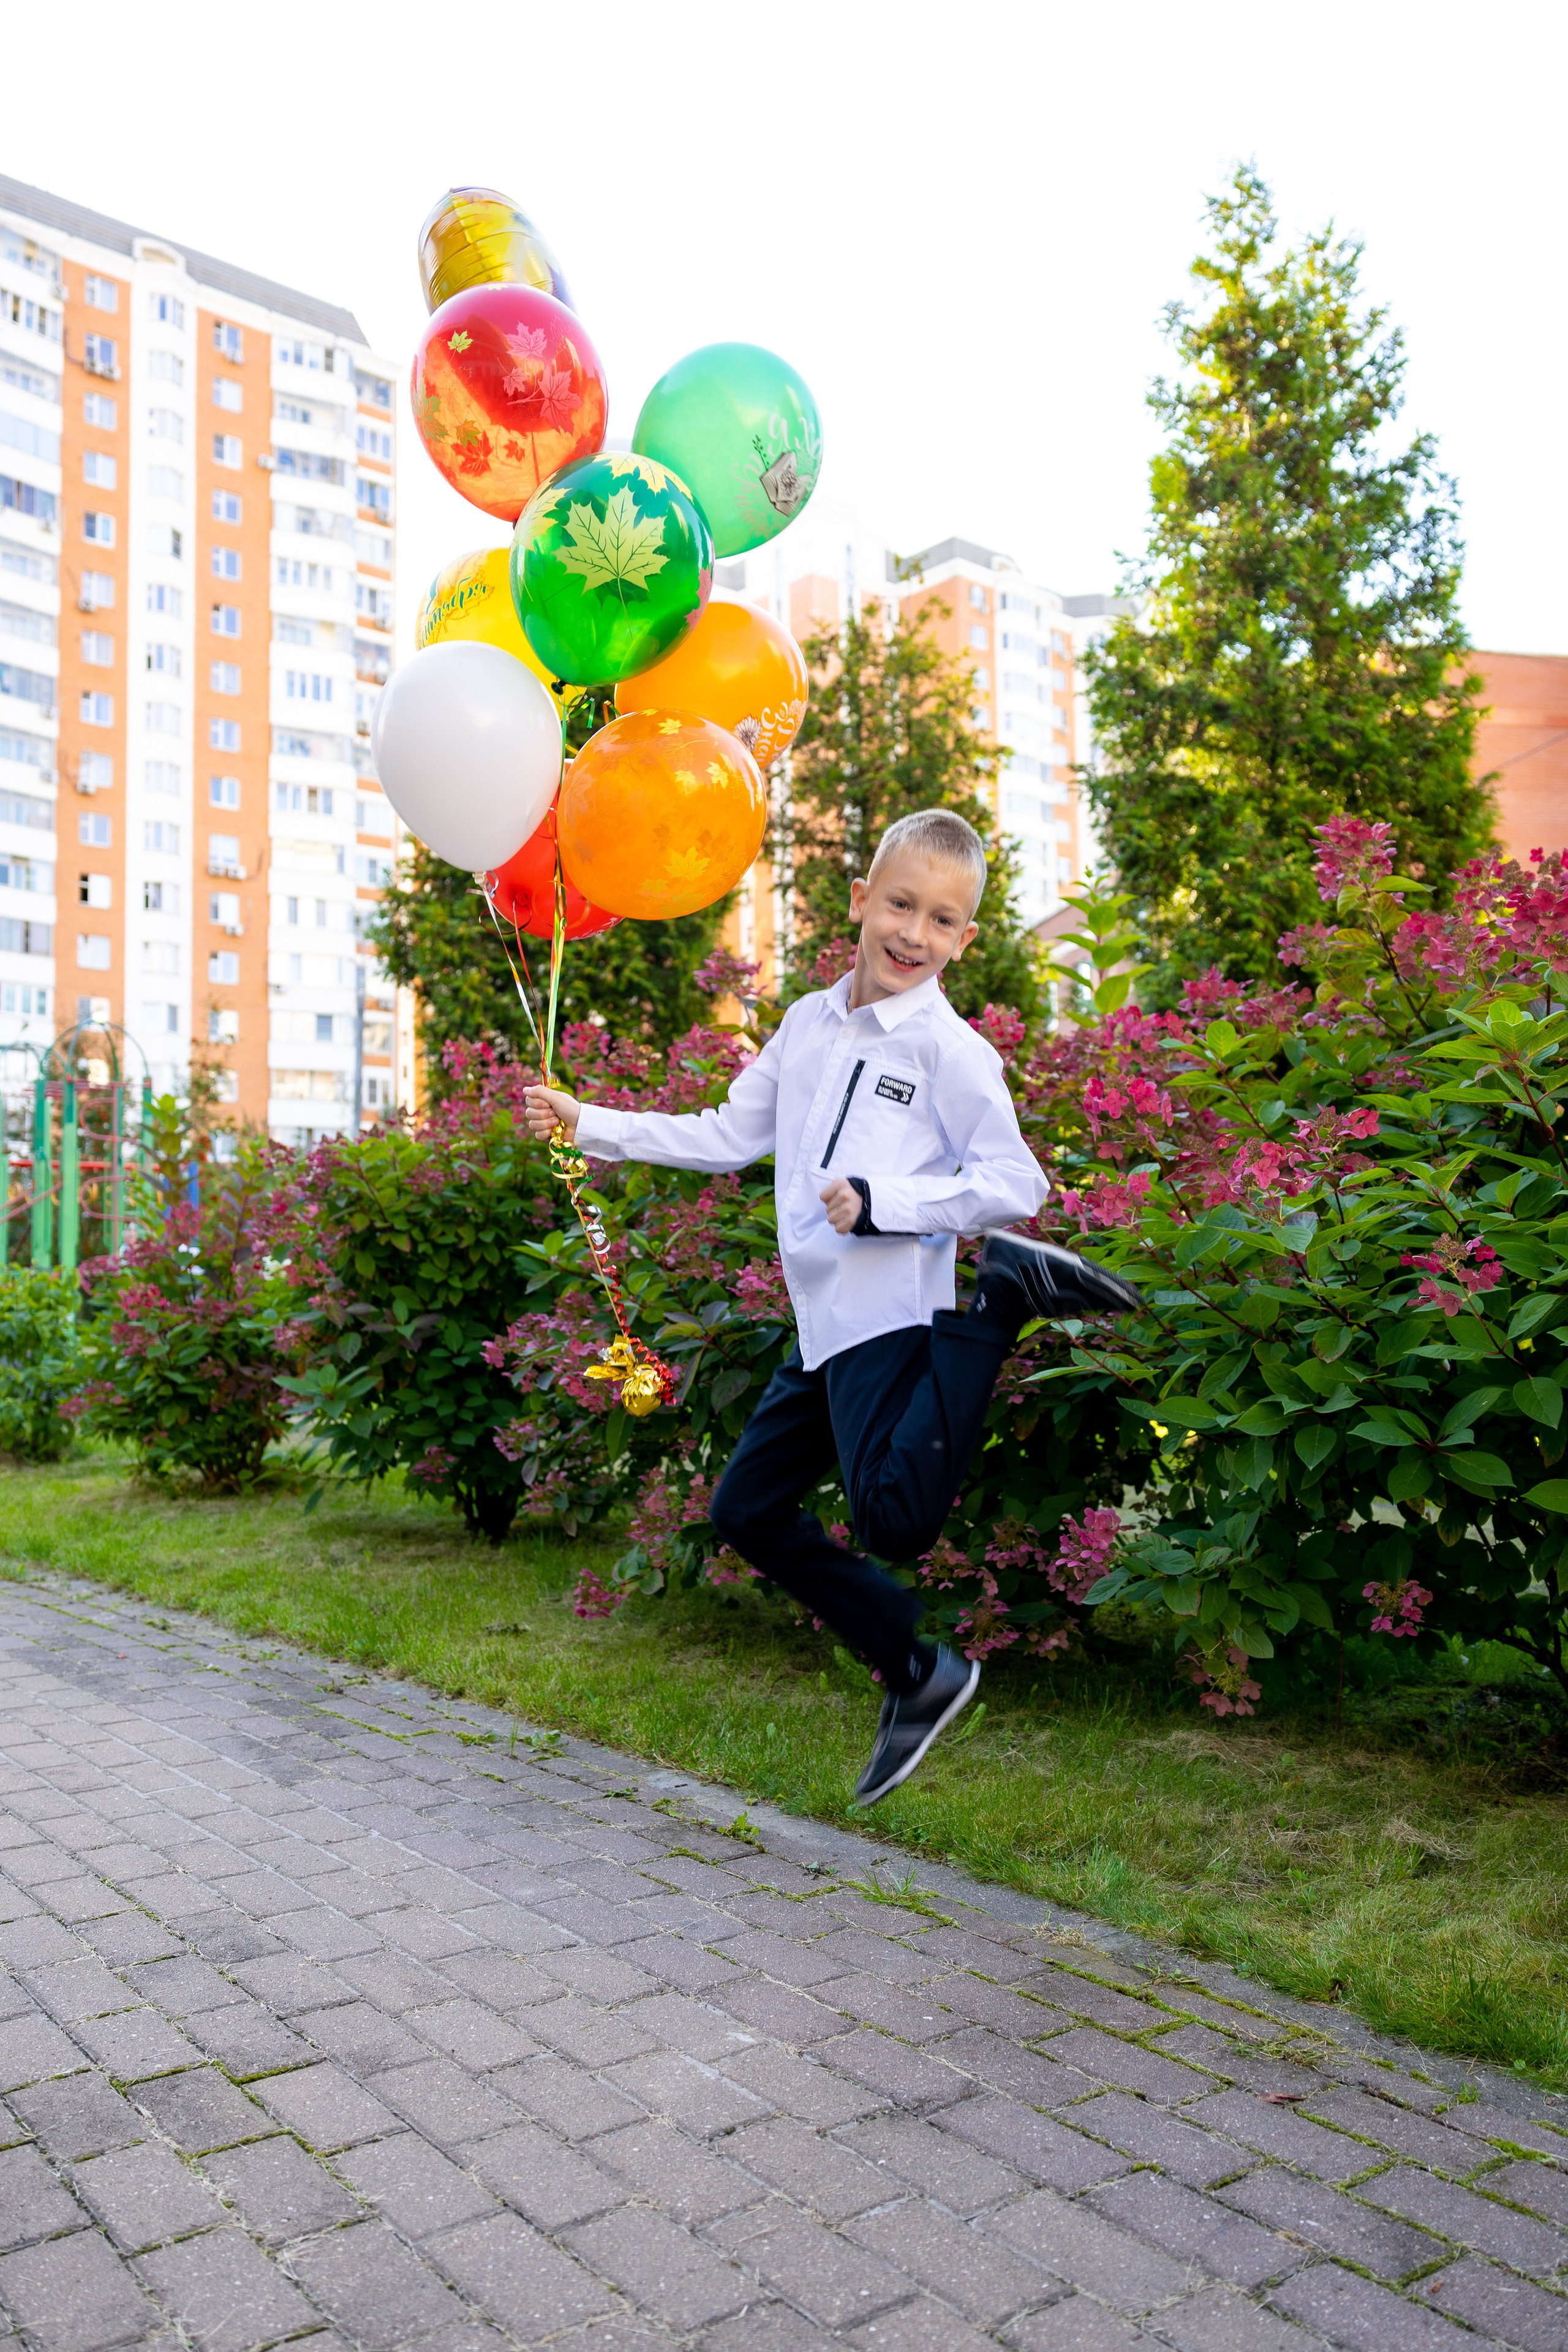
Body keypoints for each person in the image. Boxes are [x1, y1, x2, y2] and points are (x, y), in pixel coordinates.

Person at [524, 809, 1138, 1804]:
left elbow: (1012, 1182)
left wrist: (887, 1205)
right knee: (746, 1509)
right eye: (901, 905)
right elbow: (729, 1132)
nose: (915, 934)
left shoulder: (947, 1048)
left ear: (965, 941)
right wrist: (590, 1121)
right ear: (861, 901)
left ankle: (1001, 1304)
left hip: (889, 1308)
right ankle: (919, 1674)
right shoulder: (810, 1023)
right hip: (821, 1326)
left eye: (943, 922)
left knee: (893, 1523)